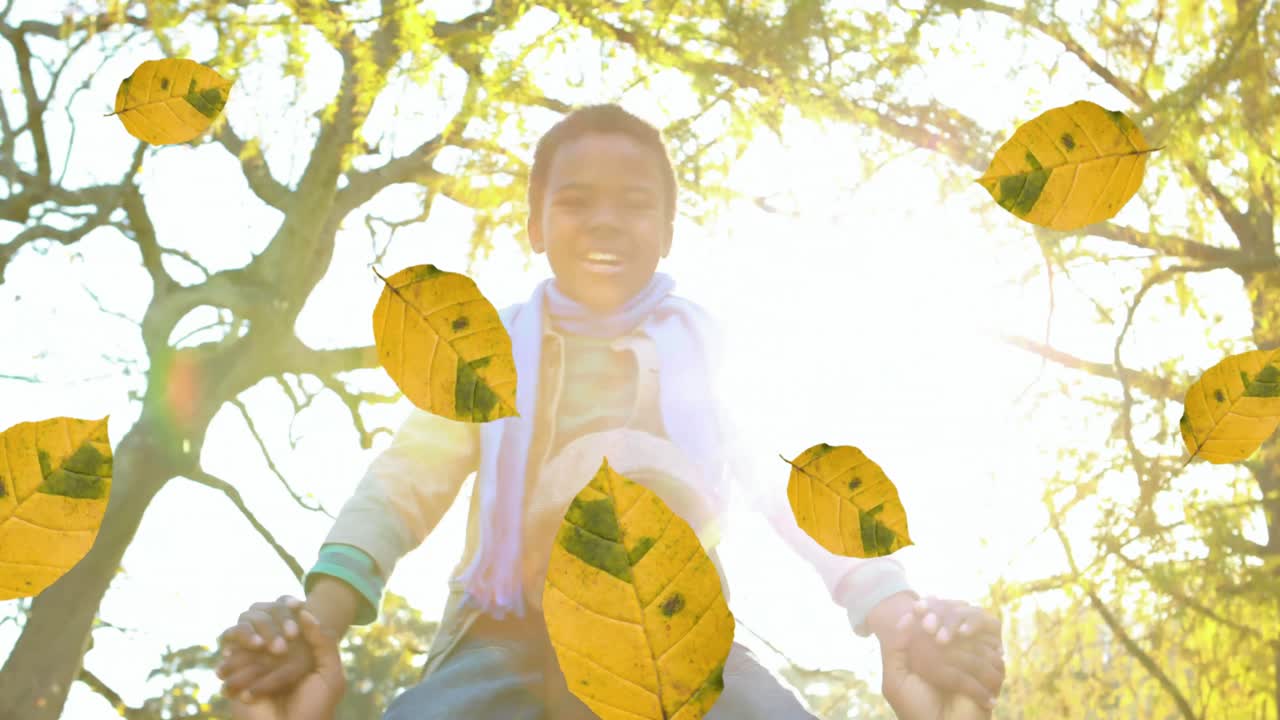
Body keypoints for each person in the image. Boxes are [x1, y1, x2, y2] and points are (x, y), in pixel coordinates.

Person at [220, 104, 1006, 720]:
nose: (605, 221)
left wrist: (895, 611)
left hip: (677, 627)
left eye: (634, 204)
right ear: (535, 226)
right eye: (576, 201)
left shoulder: (709, 358)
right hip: (510, 630)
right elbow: (401, 484)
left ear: (666, 232)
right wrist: (319, 615)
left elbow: (796, 489)